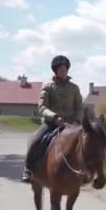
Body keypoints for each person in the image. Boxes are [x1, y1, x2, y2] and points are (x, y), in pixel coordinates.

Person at [21, 55, 83, 183]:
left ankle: (86, 172)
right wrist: (54, 117)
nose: (63, 71)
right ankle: (28, 169)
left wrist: (77, 120)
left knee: (86, 143)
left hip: (70, 124)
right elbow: (42, 106)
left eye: (65, 69)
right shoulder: (47, 86)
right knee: (35, 140)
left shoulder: (74, 88)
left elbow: (80, 108)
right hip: (52, 123)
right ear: (55, 71)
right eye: (61, 69)